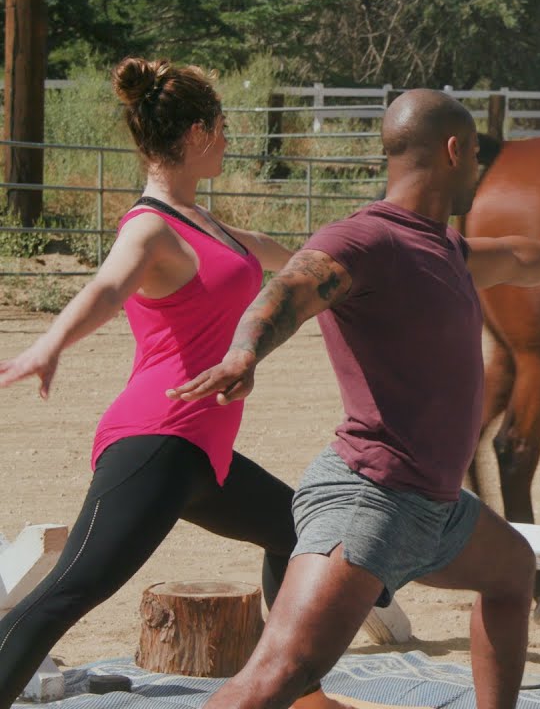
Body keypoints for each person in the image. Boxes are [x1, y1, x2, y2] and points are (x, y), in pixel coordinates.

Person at [168, 88, 540, 709]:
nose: (478, 168)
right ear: (454, 151)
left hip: (435, 508)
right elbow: (290, 288)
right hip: (369, 501)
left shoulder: (444, 247)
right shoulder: (366, 240)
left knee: (512, 573)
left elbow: (521, 257)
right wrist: (246, 351)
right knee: (276, 675)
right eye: (476, 154)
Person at [0, 57, 342, 709]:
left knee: (299, 536)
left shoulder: (202, 221)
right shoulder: (150, 226)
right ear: (194, 134)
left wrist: (343, 268)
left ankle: (300, 696)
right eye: (221, 127)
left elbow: (272, 253)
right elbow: (105, 286)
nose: (227, 137)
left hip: (202, 455)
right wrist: (49, 345)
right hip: (155, 441)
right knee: (64, 595)